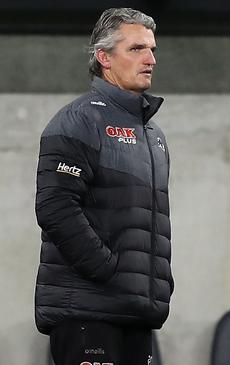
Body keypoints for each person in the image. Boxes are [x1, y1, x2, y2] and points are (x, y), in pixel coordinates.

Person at [35, 8, 172, 365]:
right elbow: (55, 207)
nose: (151, 59)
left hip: (135, 313)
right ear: (104, 57)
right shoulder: (79, 120)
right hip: (88, 313)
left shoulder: (152, 135)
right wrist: (109, 270)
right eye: (137, 49)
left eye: (152, 49)